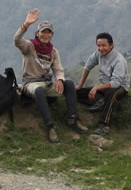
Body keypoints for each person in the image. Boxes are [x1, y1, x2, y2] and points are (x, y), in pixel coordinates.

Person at [15, 9, 88, 143]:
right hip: (30, 83)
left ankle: (72, 118)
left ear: (52, 35)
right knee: (38, 90)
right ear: (38, 33)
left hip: (46, 82)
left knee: (69, 84)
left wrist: (60, 80)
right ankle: (50, 126)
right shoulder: (29, 46)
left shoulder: (53, 52)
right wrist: (26, 25)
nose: (45, 35)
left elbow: (58, 69)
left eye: (48, 32)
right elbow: (17, 40)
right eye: (43, 32)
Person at [76, 32, 130, 136]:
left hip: (120, 87)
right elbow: (88, 66)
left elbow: (116, 82)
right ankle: (107, 102)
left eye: (104, 45)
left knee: (111, 93)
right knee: (77, 93)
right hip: (104, 86)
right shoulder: (98, 53)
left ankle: (103, 125)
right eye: (98, 45)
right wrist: (80, 85)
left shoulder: (119, 60)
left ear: (111, 45)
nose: (101, 48)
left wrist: (97, 87)